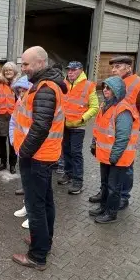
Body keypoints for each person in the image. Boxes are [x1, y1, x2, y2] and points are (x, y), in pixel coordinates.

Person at [11, 46, 64, 271]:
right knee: (45, 202)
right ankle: (44, 241)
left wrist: (24, 152)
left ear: (41, 63)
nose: (23, 68)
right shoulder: (42, 85)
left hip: (36, 157)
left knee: (35, 206)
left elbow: (40, 127)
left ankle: (37, 256)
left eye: (26, 64)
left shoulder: (45, 89)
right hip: (42, 154)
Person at [88, 56, 140, 210]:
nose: (113, 70)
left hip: (125, 133)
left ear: (128, 68)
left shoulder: (139, 83)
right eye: (113, 67)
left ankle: (122, 196)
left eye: (117, 66)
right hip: (111, 135)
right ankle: (106, 194)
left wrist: (132, 129)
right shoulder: (113, 84)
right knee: (108, 170)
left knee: (125, 168)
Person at [89, 76, 140, 223]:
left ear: (116, 91)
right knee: (105, 184)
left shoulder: (123, 110)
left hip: (117, 158)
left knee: (113, 187)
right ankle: (103, 207)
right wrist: (94, 144)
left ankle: (111, 213)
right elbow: (98, 129)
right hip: (106, 155)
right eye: (104, 87)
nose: (105, 90)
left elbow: (123, 137)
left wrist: (114, 156)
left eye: (108, 88)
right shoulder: (106, 106)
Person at [56, 61, 99, 195]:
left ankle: (78, 181)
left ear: (80, 70)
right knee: (66, 151)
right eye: (69, 70)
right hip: (64, 125)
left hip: (78, 127)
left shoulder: (88, 85)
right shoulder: (64, 84)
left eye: (73, 70)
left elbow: (95, 107)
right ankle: (68, 174)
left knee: (76, 153)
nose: (70, 72)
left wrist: (82, 119)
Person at [9, 75, 33, 229]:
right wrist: (13, 140)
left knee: (35, 185)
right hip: (21, 149)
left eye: (25, 89)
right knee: (26, 182)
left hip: (33, 150)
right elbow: (13, 123)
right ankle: (27, 206)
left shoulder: (35, 104)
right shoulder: (19, 103)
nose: (22, 92)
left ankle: (34, 214)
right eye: (20, 90)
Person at [0, 62, 19, 173]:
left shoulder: (18, 84)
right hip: (0, 116)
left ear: (14, 72)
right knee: (1, 141)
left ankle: (12, 165)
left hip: (14, 117)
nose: (8, 72)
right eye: (6, 70)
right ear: (3, 72)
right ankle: (3, 162)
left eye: (10, 70)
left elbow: (22, 100)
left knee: (13, 142)